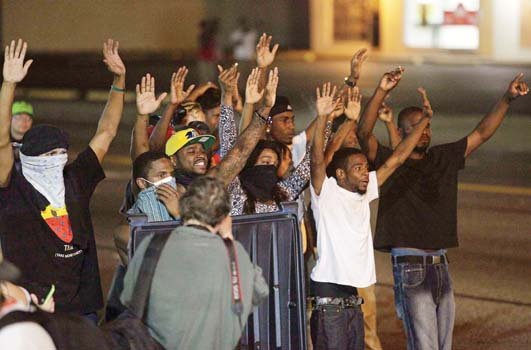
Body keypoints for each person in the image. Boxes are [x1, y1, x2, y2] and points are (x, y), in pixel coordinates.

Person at [357, 68, 529, 349]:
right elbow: (364, 133)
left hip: (441, 265)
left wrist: (507, 99)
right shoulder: (389, 163)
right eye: (417, 126)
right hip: (411, 267)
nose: (424, 132)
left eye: (427, 126)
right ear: (401, 132)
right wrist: (381, 91)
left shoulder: (443, 157)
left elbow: (481, 133)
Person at [0, 39, 125, 320]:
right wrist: (9, 85)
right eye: (50, 153)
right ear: (31, 157)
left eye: (61, 152)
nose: (57, 159)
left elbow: (106, 132)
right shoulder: (13, 187)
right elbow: (1, 144)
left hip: (81, 309)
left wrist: (119, 80)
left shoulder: (76, 179)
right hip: (31, 306)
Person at [309, 82, 435, 350]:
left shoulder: (365, 191)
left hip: (354, 295)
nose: (365, 172)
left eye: (366, 167)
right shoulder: (327, 192)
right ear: (341, 174)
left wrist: (424, 122)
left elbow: (398, 158)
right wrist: (322, 118)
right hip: (328, 295)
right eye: (358, 168)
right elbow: (317, 160)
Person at [120, 176, 269, 349]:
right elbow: (260, 291)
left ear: (183, 207)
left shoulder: (153, 246)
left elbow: (129, 298)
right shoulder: (233, 255)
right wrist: (228, 238)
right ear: (224, 218)